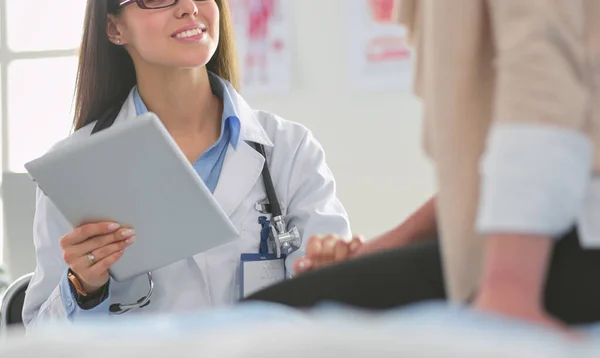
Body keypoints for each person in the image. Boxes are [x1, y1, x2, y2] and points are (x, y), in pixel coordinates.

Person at [246, 0, 600, 329]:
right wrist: (379, 249)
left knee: (267, 324)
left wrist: (511, 286)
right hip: (540, 232)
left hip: (569, 240)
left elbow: (542, 76)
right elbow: (484, 180)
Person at [22, 0, 350, 330]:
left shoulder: (290, 150)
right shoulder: (74, 171)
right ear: (114, 28)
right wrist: (84, 288)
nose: (189, 7)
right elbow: (36, 341)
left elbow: (340, 305)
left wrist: (329, 273)